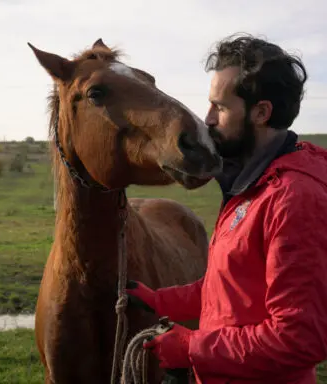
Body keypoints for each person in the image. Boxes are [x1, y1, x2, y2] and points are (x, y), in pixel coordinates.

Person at [126, 33, 327, 384]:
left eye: (219, 107)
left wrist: (191, 347)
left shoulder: (294, 199)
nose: (208, 120)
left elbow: (298, 339)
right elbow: (229, 290)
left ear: (261, 112)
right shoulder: (250, 186)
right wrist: (159, 301)